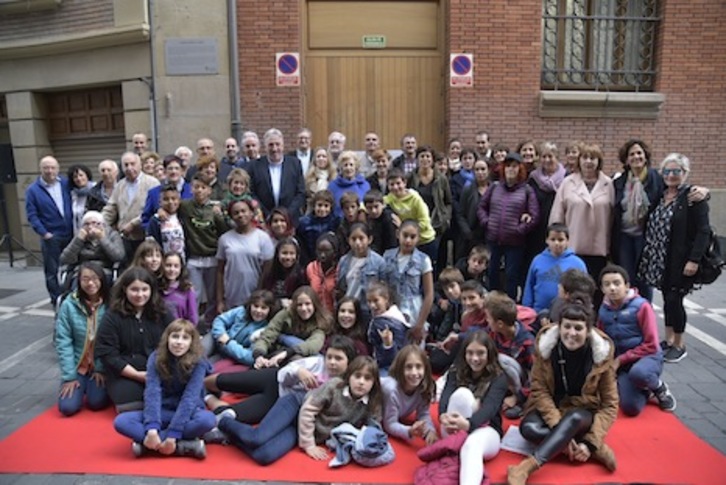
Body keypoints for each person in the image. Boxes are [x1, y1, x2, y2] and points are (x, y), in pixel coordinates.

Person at [507, 303, 618, 485]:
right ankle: (589, 447)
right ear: (559, 327)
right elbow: (539, 390)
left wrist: (591, 439)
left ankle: (526, 467)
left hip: (583, 412)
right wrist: (562, 431)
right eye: (566, 326)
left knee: (574, 418)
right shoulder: (546, 349)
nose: (571, 333)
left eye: (578, 328)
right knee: (528, 428)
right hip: (553, 407)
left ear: (588, 330)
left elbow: (610, 404)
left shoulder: (601, 356)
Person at [218, 353, 381, 465]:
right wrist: (309, 445)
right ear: (349, 376)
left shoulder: (370, 403)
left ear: (374, 383)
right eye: (357, 376)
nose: (361, 382)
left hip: (302, 429)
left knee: (264, 456)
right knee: (257, 438)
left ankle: (231, 437)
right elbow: (308, 410)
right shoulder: (334, 386)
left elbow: (374, 428)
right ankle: (224, 422)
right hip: (296, 406)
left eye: (367, 379)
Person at [638, 153, 711, 363]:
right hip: (661, 258)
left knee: (674, 299)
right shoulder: (661, 195)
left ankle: (680, 343)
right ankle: (668, 340)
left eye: (676, 171)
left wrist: (694, 260)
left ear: (685, 173)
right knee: (668, 299)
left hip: (681, 260)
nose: (671, 175)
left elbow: (703, 231)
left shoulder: (692, 198)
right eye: (667, 171)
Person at [113, 319, 215, 458]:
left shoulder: (199, 362)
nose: (179, 342)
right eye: (175, 336)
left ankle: (148, 445)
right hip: (162, 410)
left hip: (188, 412)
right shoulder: (155, 357)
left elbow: (190, 398)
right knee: (121, 421)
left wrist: (173, 434)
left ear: (192, 342)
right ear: (167, 338)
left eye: (185, 338)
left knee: (207, 420)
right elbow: (152, 393)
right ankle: (183, 446)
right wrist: (152, 429)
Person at [206, 335, 356, 426]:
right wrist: (299, 371)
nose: (332, 362)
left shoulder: (346, 385)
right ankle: (199, 385)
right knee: (226, 381)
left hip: (279, 400)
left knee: (233, 414)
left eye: (338, 359)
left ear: (349, 361)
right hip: (273, 379)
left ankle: (207, 397)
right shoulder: (317, 362)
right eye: (329, 357)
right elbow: (285, 371)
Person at [597, 264, 676, 415]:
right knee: (631, 408)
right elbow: (602, 339)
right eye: (607, 285)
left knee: (639, 373)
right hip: (622, 363)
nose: (612, 288)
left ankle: (659, 387)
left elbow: (652, 344)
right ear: (602, 289)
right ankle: (644, 390)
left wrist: (620, 360)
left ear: (626, 286)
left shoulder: (642, 306)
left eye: (616, 283)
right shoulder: (603, 309)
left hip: (647, 357)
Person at [94, 267, 174, 412]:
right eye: (134, 289)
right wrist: (137, 375)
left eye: (145, 289)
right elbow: (108, 354)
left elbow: (174, 338)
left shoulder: (163, 311)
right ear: (125, 289)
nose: (140, 294)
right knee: (129, 403)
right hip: (126, 372)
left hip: (158, 369)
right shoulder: (112, 316)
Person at [439, 330, 508, 485]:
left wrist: (469, 424)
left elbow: (490, 408)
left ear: (489, 354)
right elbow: (445, 397)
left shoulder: (499, 378)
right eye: (470, 353)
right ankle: (455, 441)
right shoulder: (455, 372)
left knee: (472, 445)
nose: (474, 358)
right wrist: (442, 415)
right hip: (454, 426)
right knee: (462, 394)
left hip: (486, 429)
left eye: (480, 353)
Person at [549, 143, 615, 307]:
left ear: (599, 161)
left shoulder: (609, 184)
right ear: (579, 160)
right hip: (574, 245)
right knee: (573, 287)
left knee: (596, 289)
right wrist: (556, 240)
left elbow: (614, 215)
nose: (588, 162)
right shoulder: (568, 183)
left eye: (593, 158)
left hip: (599, 247)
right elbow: (557, 214)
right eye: (585, 157)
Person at [477, 152, 539, 300]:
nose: (511, 169)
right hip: (493, 240)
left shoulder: (527, 190)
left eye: (514, 166)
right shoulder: (494, 187)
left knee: (511, 276)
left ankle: (509, 305)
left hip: (515, 243)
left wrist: (520, 230)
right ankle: (492, 303)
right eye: (508, 166)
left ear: (520, 169)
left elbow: (535, 216)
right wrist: (487, 222)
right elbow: (481, 207)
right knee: (492, 272)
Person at [54, 261, 111, 416]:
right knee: (68, 407)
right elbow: (63, 341)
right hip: (78, 365)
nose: (90, 283)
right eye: (85, 279)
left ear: (102, 280)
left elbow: (110, 341)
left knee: (96, 402)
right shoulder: (69, 305)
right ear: (78, 281)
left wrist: (101, 368)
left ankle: (92, 386)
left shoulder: (110, 305)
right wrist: (69, 376)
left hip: (100, 366)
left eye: (94, 278)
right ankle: (82, 384)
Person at [25, 155, 73, 306]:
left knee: (72, 267)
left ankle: (71, 297)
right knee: (52, 272)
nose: (50, 171)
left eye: (52, 167)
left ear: (58, 169)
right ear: (41, 170)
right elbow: (32, 215)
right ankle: (56, 301)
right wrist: (44, 233)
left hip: (71, 234)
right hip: (51, 236)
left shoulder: (66, 183)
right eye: (46, 168)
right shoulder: (33, 190)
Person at [216, 199, 275, 313]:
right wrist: (220, 300)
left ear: (251, 213)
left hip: (255, 298)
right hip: (231, 297)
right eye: (236, 213)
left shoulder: (263, 238)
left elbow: (267, 270)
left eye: (244, 211)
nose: (240, 215)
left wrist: (260, 293)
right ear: (231, 217)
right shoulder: (224, 239)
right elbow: (220, 271)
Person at [381, 220, 434, 344]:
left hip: (415, 310)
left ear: (418, 238)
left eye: (413, 237)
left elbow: (429, 294)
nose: (408, 240)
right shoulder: (387, 256)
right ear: (398, 234)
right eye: (405, 236)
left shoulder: (423, 260)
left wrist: (420, 324)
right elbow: (383, 286)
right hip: (392, 308)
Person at [102, 152, 160, 264]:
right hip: (125, 238)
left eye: (132, 164)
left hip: (144, 237)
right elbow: (110, 208)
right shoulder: (120, 185)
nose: (129, 168)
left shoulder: (152, 183)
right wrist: (99, 222)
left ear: (140, 165)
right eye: (126, 165)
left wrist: (134, 223)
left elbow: (154, 210)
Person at [252, 286, 331, 368]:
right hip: (276, 352)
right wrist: (259, 355)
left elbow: (314, 344)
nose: (303, 308)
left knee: (298, 359)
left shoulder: (321, 321)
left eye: (307, 304)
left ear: (315, 304)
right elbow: (268, 335)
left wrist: (288, 352)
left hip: (299, 355)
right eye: (299, 305)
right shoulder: (285, 314)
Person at [486, 291, 536, 420]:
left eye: (489, 318)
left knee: (502, 360)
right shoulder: (494, 334)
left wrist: (517, 397)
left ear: (500, 324)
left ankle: (520, 402)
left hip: (521, 383)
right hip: (502, 379)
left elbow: (535, 376)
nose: (487, 321)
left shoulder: (527, 342)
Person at [522, 223, 587, 313]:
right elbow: (529, 285)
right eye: (553, 239)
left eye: (560, 240)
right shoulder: (538, 260)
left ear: (567, 241)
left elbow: (584, 291)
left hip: (567, 314)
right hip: (538, 312)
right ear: (547, 240)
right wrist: (527, 309)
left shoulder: (577, 263)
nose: (556, 243)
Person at [381, 345, 437, 444]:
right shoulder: (391, 390)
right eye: (408, 367)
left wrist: (429, 430)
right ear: (400, 369)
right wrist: (409, 431)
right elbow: (389, 424)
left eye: (418, 367)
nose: (414, 373)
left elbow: (423, 414)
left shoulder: (423, 388)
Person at [248, 128, 306, 222]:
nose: (274, 149)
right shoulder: (255, 166)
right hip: (264, 219)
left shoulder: (295, 164)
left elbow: (300, 192)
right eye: (271, 145)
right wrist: (267, 214)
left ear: (283, 145)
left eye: (277, 144)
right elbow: (252, 193)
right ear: (265, 147)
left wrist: (287, 214)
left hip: (290, 220)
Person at [206, 289, 277, 365]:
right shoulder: (241, 311)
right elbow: (220, 320)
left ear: (270, 310)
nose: (258, 310)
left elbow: (250, 357)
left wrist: (228, 342)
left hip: (231, 354)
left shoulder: (265, 329)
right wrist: (221, 334)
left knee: (206, 364)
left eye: (263, 308)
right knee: (199, 351)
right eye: (255, 306)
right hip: (218, 338)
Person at [384, 169, 438, 266]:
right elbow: (377, 201)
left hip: (425, 240)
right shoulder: (390, 197)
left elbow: (425, 222)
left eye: (398, 183)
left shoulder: (415, 199)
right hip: (409, 242)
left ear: (404, 183)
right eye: (392, 184)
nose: (395, 187)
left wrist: (403, 227)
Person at [408, 145, 453, 260]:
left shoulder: (441, 179)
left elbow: (448, 201)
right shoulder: (410, 177)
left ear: (432, 159)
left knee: (433, 259)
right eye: (422, 156)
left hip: (436, 225)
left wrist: (445, 217)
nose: (425, 159)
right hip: (416, 225)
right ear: (417, 159)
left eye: (428, 156)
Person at [526, 142, 566, 264]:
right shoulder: (533, 178)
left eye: (550, 156)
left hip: (558, 227)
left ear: (557, 158)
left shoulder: (566, 178)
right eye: (544, 156)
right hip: (536, 228)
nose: (547, 160)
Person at [337, 222, 385, 322]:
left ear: (369, 239)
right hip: (348, 310)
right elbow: (340, 287)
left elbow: (383, 289)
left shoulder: (378, 262)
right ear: (348, 240)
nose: (357, 243)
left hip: (367, 311)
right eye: (353, 239)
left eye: (361, 238)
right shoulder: (344, 261)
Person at [59, 210, 125, 278]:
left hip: (104, 270)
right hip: (82, 271)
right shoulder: (79, 236)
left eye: (94, 223)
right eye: (87, 224)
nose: (90, 227)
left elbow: (118, 257)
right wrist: (78, 240)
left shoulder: (112, 234)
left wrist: (102, 239)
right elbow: (65, 259)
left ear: (102, 225)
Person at [366, 281, 409, 372]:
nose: (372, 305)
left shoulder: (380, 323)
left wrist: (388, 344)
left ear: (386, 299)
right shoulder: (398, 317)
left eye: (376, 300)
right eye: (369, 301)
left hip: (388, 367)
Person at [141, 155, 193, 230]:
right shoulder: (154, 193)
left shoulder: (192, 191)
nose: (173, 171)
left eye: (176, 168)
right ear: (165, 171)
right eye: (170, 168)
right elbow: (145, 220)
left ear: (182, 171)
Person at [258, 237, 307, 307]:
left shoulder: (301, 274)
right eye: (284, 253)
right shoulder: (268, 271)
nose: (288, 257)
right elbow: (262, 293)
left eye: (292, 253)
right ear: (277, 254)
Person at [457, 157, 491, 257]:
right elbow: (460, 214)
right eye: (477, 169)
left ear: (488, 170)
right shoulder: (468, 189)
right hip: (471, 235)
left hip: (489, 235)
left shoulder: (494, 189)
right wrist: (467, 232)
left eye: (483, 169)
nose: (480, 172)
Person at [297, 190, 341, 263]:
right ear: (314, 206)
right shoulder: (304, 223)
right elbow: (301, 245)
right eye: (319, 205)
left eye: (326, 206)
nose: (322, 209)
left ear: (331, 207)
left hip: (331, 261)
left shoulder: (336, 221)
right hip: (309, 259)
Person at [327, 151, 371, 218]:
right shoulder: (332, 186)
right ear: (341, 168)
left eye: (351, 165)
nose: (348, 168)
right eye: (345, 165)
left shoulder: (365, 185)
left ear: (356, 167)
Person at [159, 252, 198, 325]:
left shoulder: (187, 289)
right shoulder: (157, 288)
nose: (172, 269)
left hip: (180, 332)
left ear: (181, 268)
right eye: (168, 265)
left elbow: (193, 318)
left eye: (176, 266)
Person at [306, 232, 338, 313]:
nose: (323, 255)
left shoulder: (339, 269)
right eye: (319, 251)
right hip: (315, 314)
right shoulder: (311, 268)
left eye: (327, 251)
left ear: (334, 252)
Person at [363, 190, 397, 255]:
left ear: (383, 205)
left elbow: (392, 244)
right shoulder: (368, 219)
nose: (373, 211)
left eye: (376, 206)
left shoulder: (388, 219)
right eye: (369, 208)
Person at [67, 164, 95, 235]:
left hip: (94, 232)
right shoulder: (73, 194)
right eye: (75, 177)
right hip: (78, 233)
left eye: (81, 175)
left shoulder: (96, 190)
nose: (79, 179)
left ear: (87, 175)